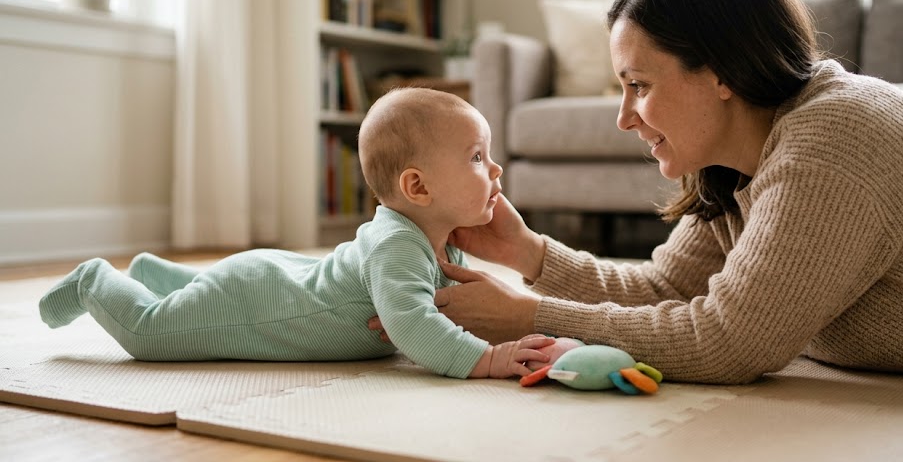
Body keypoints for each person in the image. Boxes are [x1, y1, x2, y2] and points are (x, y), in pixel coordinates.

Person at [372, 0, 903, 385]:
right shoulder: (734, 164)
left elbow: (725, 340)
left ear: (718, 72)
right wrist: (528, 253)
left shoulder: (837, 136)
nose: (624, 117)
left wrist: (527, 316)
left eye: (639, 84)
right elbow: (666, 292)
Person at [38, 87, 558, 380]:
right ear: (417, 187)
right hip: (254, 301)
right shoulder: (398, 244)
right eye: (475, 157)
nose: (495, 170)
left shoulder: (431, 237)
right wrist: (487, 359)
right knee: (150, 335)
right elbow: (415, 327)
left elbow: (448, 313)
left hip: (272, 279)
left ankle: (157, 273)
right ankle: (96, 281)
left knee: (191, 304)